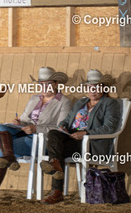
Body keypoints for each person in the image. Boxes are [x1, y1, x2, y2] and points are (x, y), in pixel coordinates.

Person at [39, 69, 122, 204]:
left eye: (96, 87)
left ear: (104, 88)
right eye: (89, 87)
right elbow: (66, 121)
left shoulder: (110, 103)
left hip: (91, 143)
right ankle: (55, 165)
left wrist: (86, 133)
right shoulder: (80, 103)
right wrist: (62, 126)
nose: (92, 91)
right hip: (73, 138)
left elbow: (109, 127)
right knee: (54, 133)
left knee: (57, 151)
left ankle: (56, 191)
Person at [0, 67, 72, 199]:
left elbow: (60, 128)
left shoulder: (64, 102)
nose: (44, 87)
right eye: (41, 84)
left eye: (48, 83)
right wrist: (19, 123)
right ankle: (8, 156)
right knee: (0, 127)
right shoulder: (34, 99)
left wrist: (36, 128)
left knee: (2, 149)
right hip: (25, 132)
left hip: (43, 140)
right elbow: (24, 119)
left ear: (56, 84)